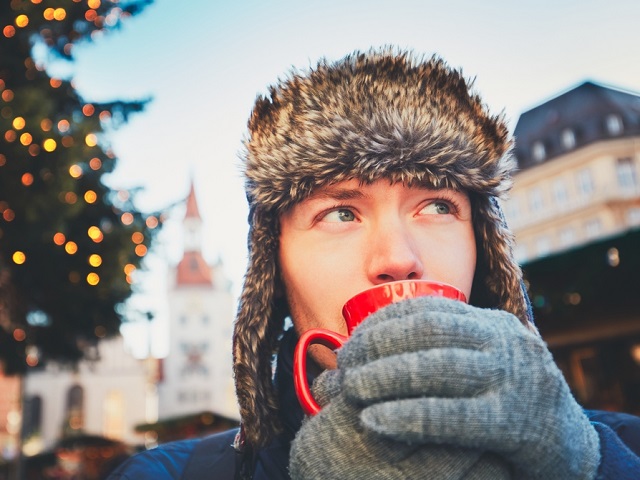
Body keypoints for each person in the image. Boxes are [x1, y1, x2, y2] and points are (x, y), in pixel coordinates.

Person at [108, 47, 640, 479]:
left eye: (437, 206)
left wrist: (586, 465)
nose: (398, 259)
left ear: (484, 248)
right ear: (274, 269)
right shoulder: (170, 474)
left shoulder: (615, 449)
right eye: (341, 212)